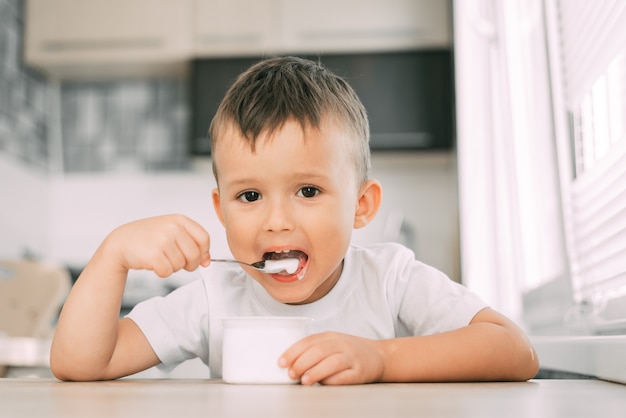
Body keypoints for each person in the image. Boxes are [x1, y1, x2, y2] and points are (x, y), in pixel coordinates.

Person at [50, 56, 539, 384]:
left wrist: (383, 358)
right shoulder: (213, 297)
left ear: (361, 206)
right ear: (221, 211)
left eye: (308, 191)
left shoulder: (389, 279)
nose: (276, 221)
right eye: (250, 195)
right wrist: (112, 255)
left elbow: (514, 350)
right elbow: (80, 365)